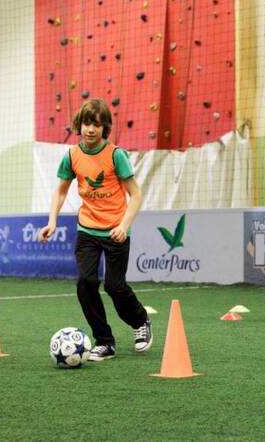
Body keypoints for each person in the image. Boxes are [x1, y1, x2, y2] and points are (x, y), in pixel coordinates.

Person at [39, 98, 152, 360]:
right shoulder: (72, 155)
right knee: (86, 282)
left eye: (97, 125)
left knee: (114, 286)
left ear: (105, 129)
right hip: (87, 229)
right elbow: (61, 190)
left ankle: (140, 322)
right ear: (79, 125)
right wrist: (52, 221)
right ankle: (104, 341)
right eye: (87, 123)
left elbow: (135, 195)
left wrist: (124, 226)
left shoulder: (116, 155)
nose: (91, 130)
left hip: (116, 230)